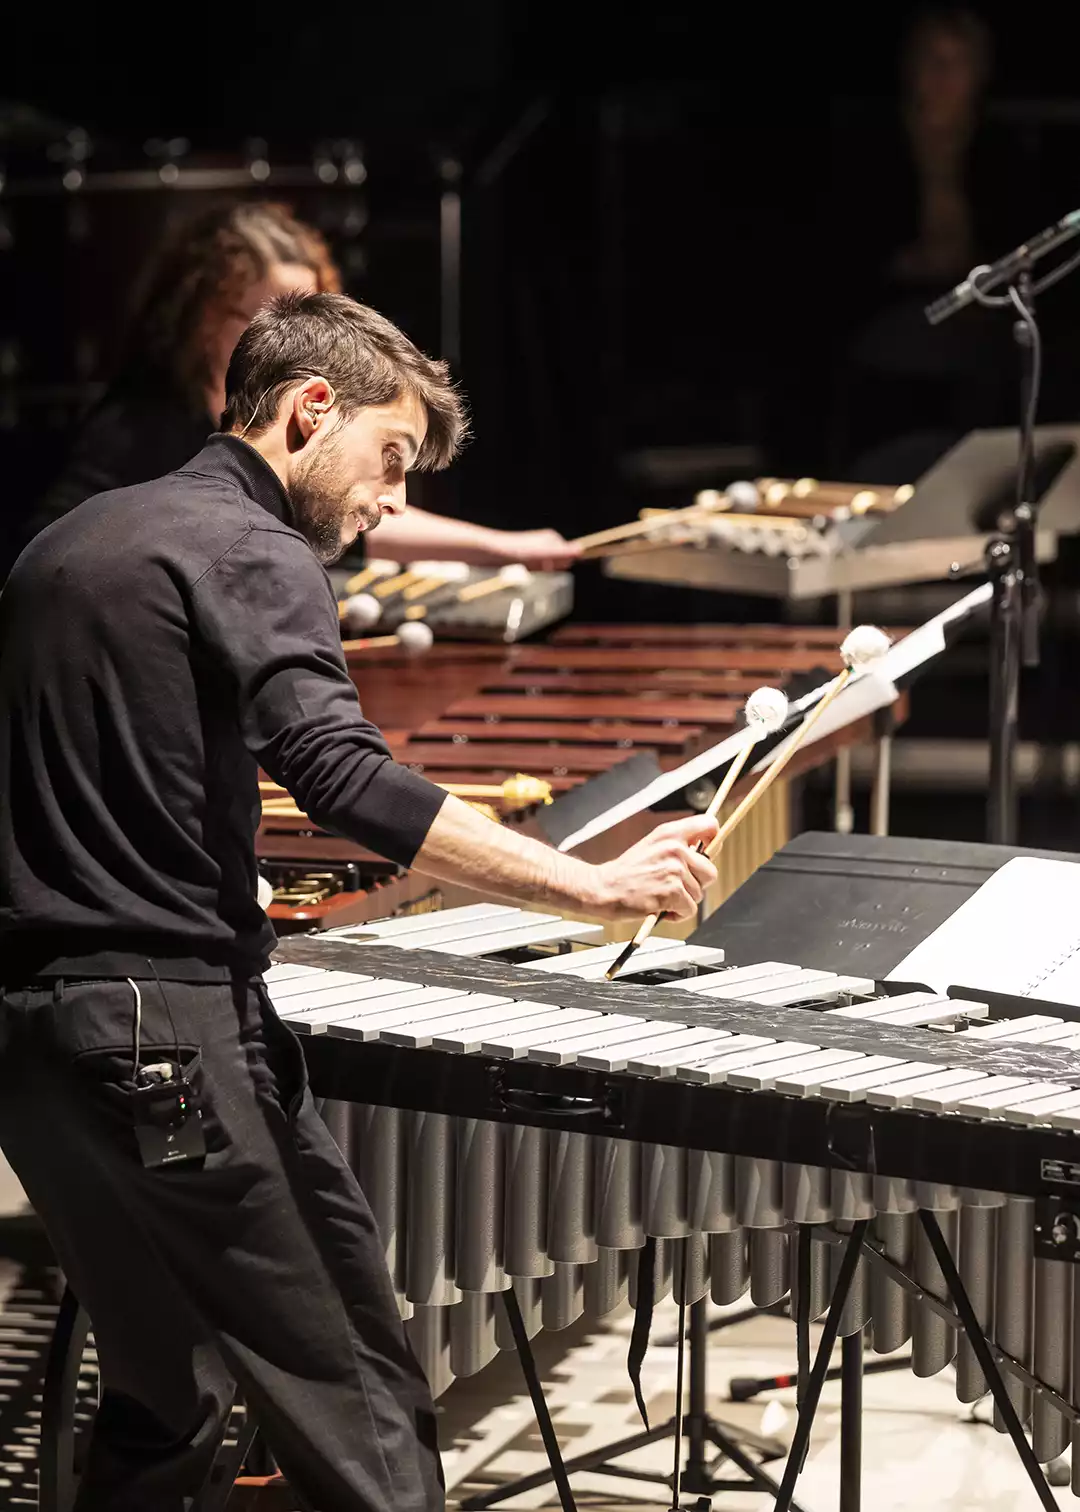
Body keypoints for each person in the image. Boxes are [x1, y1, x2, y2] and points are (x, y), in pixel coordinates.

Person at [0, 289, 718, 1512]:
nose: (392, 500)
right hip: (164, 1036)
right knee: (361, 1407)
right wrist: (589, 884)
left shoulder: (71, 541)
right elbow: (340, 775)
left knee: (167, 1396)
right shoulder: (253, 548)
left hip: (31, 1046)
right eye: (391, 457)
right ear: (309, 408)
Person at [16, 200, 577, 571]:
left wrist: (500, 548)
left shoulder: (290, 412)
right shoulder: (135, 429)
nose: (293, 340)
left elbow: (345, 508)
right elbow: (46, 557)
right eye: (265, 316)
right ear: (202, 316)